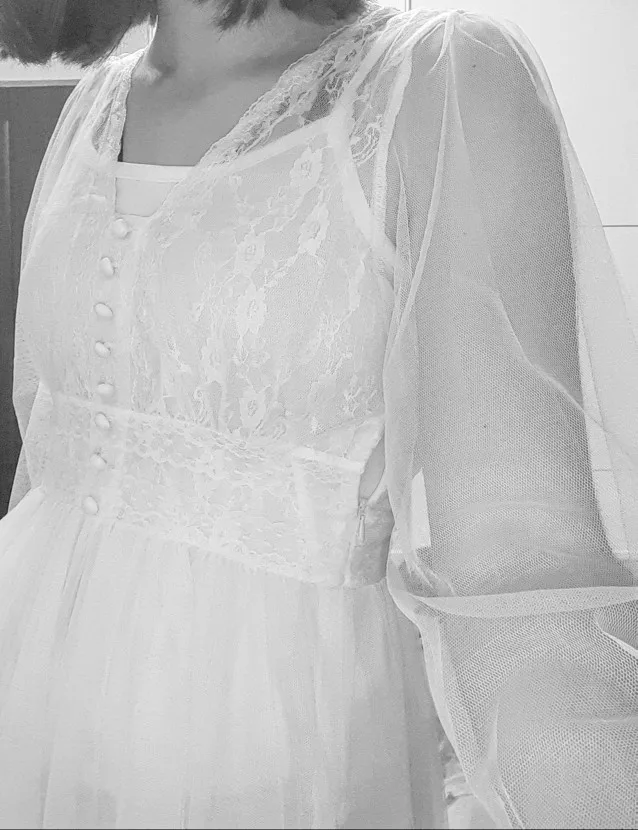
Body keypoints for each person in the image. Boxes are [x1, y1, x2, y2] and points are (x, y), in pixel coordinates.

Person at [1, 1, 637, 827]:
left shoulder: (439, 76)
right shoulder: (97, 101)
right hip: (31, 716)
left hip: (284, 750)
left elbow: (520, 563)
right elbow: (53, 460)